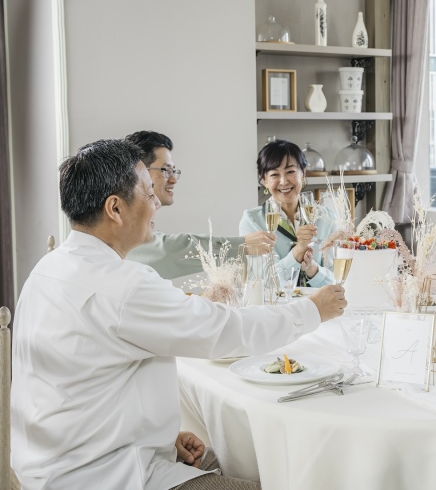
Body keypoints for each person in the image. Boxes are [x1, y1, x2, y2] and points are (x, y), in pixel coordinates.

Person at [10, 139, 347, 489]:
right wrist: (311, 310)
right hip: (108, 476)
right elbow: (225, 330)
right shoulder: (122, 286)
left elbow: (79, 382)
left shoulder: (46, 269)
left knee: (252, 462)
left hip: (55, 465)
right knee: (279, 475)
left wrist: (161, 437)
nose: (156, 203)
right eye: (148, 193)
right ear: (115, 208)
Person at [125, 130, 274, 279]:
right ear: (140, 171)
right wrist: (242, 244)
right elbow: (166, 251)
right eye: (166, 170)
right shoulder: (123, 222)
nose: (173, 180)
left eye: (173, 171)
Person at [239, 140, 334, 287]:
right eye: (275, 174)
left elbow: (339, 279)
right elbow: (264, 282)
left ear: (303, 173)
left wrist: (313, 269)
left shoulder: (326, 217)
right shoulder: (252, 221)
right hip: (276, 309)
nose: (283, 182)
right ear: (264, 180)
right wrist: (298, 251)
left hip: (319, 307)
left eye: (290, 172)